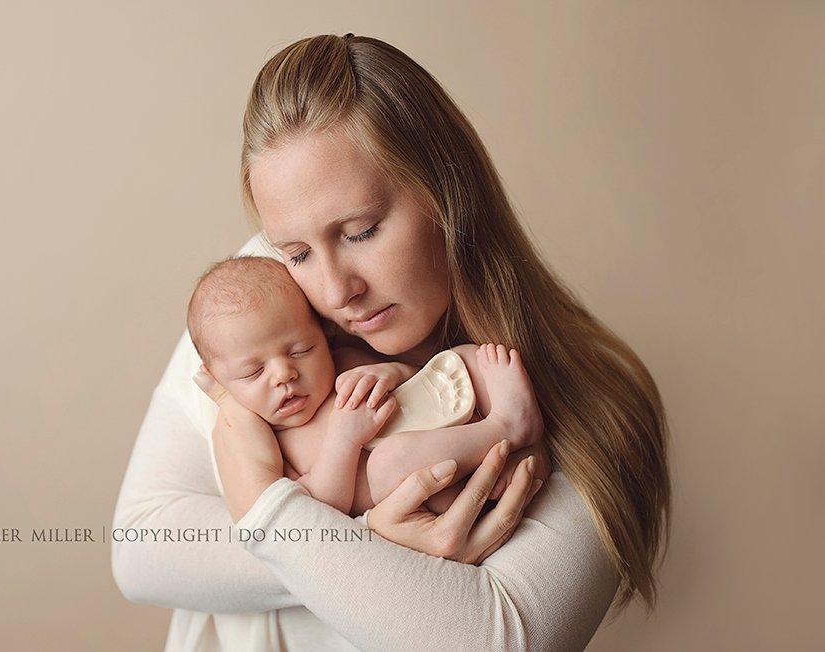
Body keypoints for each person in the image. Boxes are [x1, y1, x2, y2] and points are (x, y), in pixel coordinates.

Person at [112, 33, 670, 651]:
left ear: (446, 193)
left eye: (360, 232)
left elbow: (496, 642)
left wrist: (299, 526)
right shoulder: (260, 304)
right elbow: (140, 548)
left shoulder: (594, 409)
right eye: (295, 251)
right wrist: (370, 536)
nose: (334, 290)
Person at [186, 255, 544, 516]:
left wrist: (391, 373)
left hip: (458, 431)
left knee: (463, 358)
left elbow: (416, 378)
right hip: (435, 492)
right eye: (252, 372)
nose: (283, 375)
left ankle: (508, 454)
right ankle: (509, 425)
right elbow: (322, 506)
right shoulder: (272, 439)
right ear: (217, 380)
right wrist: (345, 439)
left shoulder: (344, 363)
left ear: (324, 331)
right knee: (388, 462)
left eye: (300, 350)